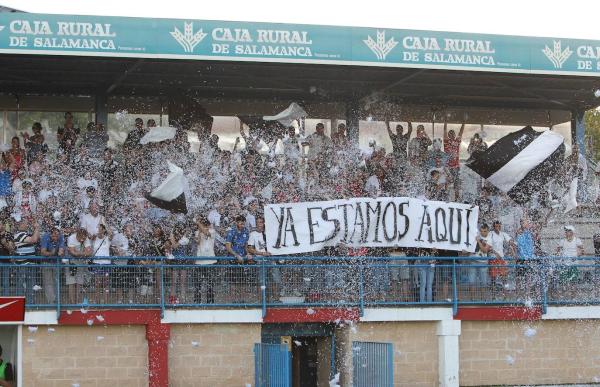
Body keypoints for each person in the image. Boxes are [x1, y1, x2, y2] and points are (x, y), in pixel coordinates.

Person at [13, 219, 40, 302]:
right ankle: (20, 302)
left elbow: (36, 238)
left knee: (30, 284)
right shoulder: (19, 235)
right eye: (25, 223)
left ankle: (30, 302)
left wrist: (36, 230)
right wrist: (36, 228)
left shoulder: (25, 234)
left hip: (29, 264)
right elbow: (34, 240)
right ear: (20, 225)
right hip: (23, 264)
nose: (27, 225)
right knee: (21, 284)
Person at [65, 228, 92, 305]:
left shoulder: (85, 238)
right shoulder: (71, 238)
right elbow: (73, 252)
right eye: (81, 238)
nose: (83, 240)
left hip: (80, 263)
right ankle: (72, 303)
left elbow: (89, 252)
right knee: (71, 282)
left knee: (79, 282)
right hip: (71, 263)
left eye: (84, 238)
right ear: (77, 235)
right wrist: (83, 253)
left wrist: (78, 253)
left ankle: (77, 302)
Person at [194, 217, 217, 304]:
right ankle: (197, 301)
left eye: (204, 225)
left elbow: (207, 233)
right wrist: (199, 231)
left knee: (210, 283)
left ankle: (210, 301)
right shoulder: (197, 232)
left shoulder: (212, 231)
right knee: (197, 284)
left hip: (210, 262)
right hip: (199, 262)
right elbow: (197, 241)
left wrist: (198, 223)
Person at [39, 227, 64, 305]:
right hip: (46, 262)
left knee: (56, 281)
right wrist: (51, 253)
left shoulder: (61, 237)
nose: (55, 238)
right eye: (53, 236)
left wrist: (60, 252)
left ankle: (56, 300)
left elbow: (61, 250)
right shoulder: (45, 237)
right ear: (50, 234)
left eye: (57, 236)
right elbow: (43, 252)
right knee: (48, 282)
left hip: (56, 263)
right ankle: (51, 302)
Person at [443, 118, 466, 201]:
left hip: (456, 166)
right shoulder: (446, 142)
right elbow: (444, 131)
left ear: (455, 135)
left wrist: (463, 124)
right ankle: (445, 196)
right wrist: (445, 123)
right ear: (449, 135)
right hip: (448, 166)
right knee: (448, 181)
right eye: (450, 133)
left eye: (453, 133)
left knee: (456, 183)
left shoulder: (457, 141)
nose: (451, 134)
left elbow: (461, 132)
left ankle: (456, 199)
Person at [91, 223, 111, 304]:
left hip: (106, 263)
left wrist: (104, 223)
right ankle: (97, 301)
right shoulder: (94, 238)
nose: (98, 230)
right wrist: (95, 234)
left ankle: (106, 302)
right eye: (97, 228)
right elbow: (91, 238)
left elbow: (111, 233)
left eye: (100, 228)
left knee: (106, 283)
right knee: (97, 283)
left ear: (103, 230)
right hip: (97, 263)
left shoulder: (107, 238)